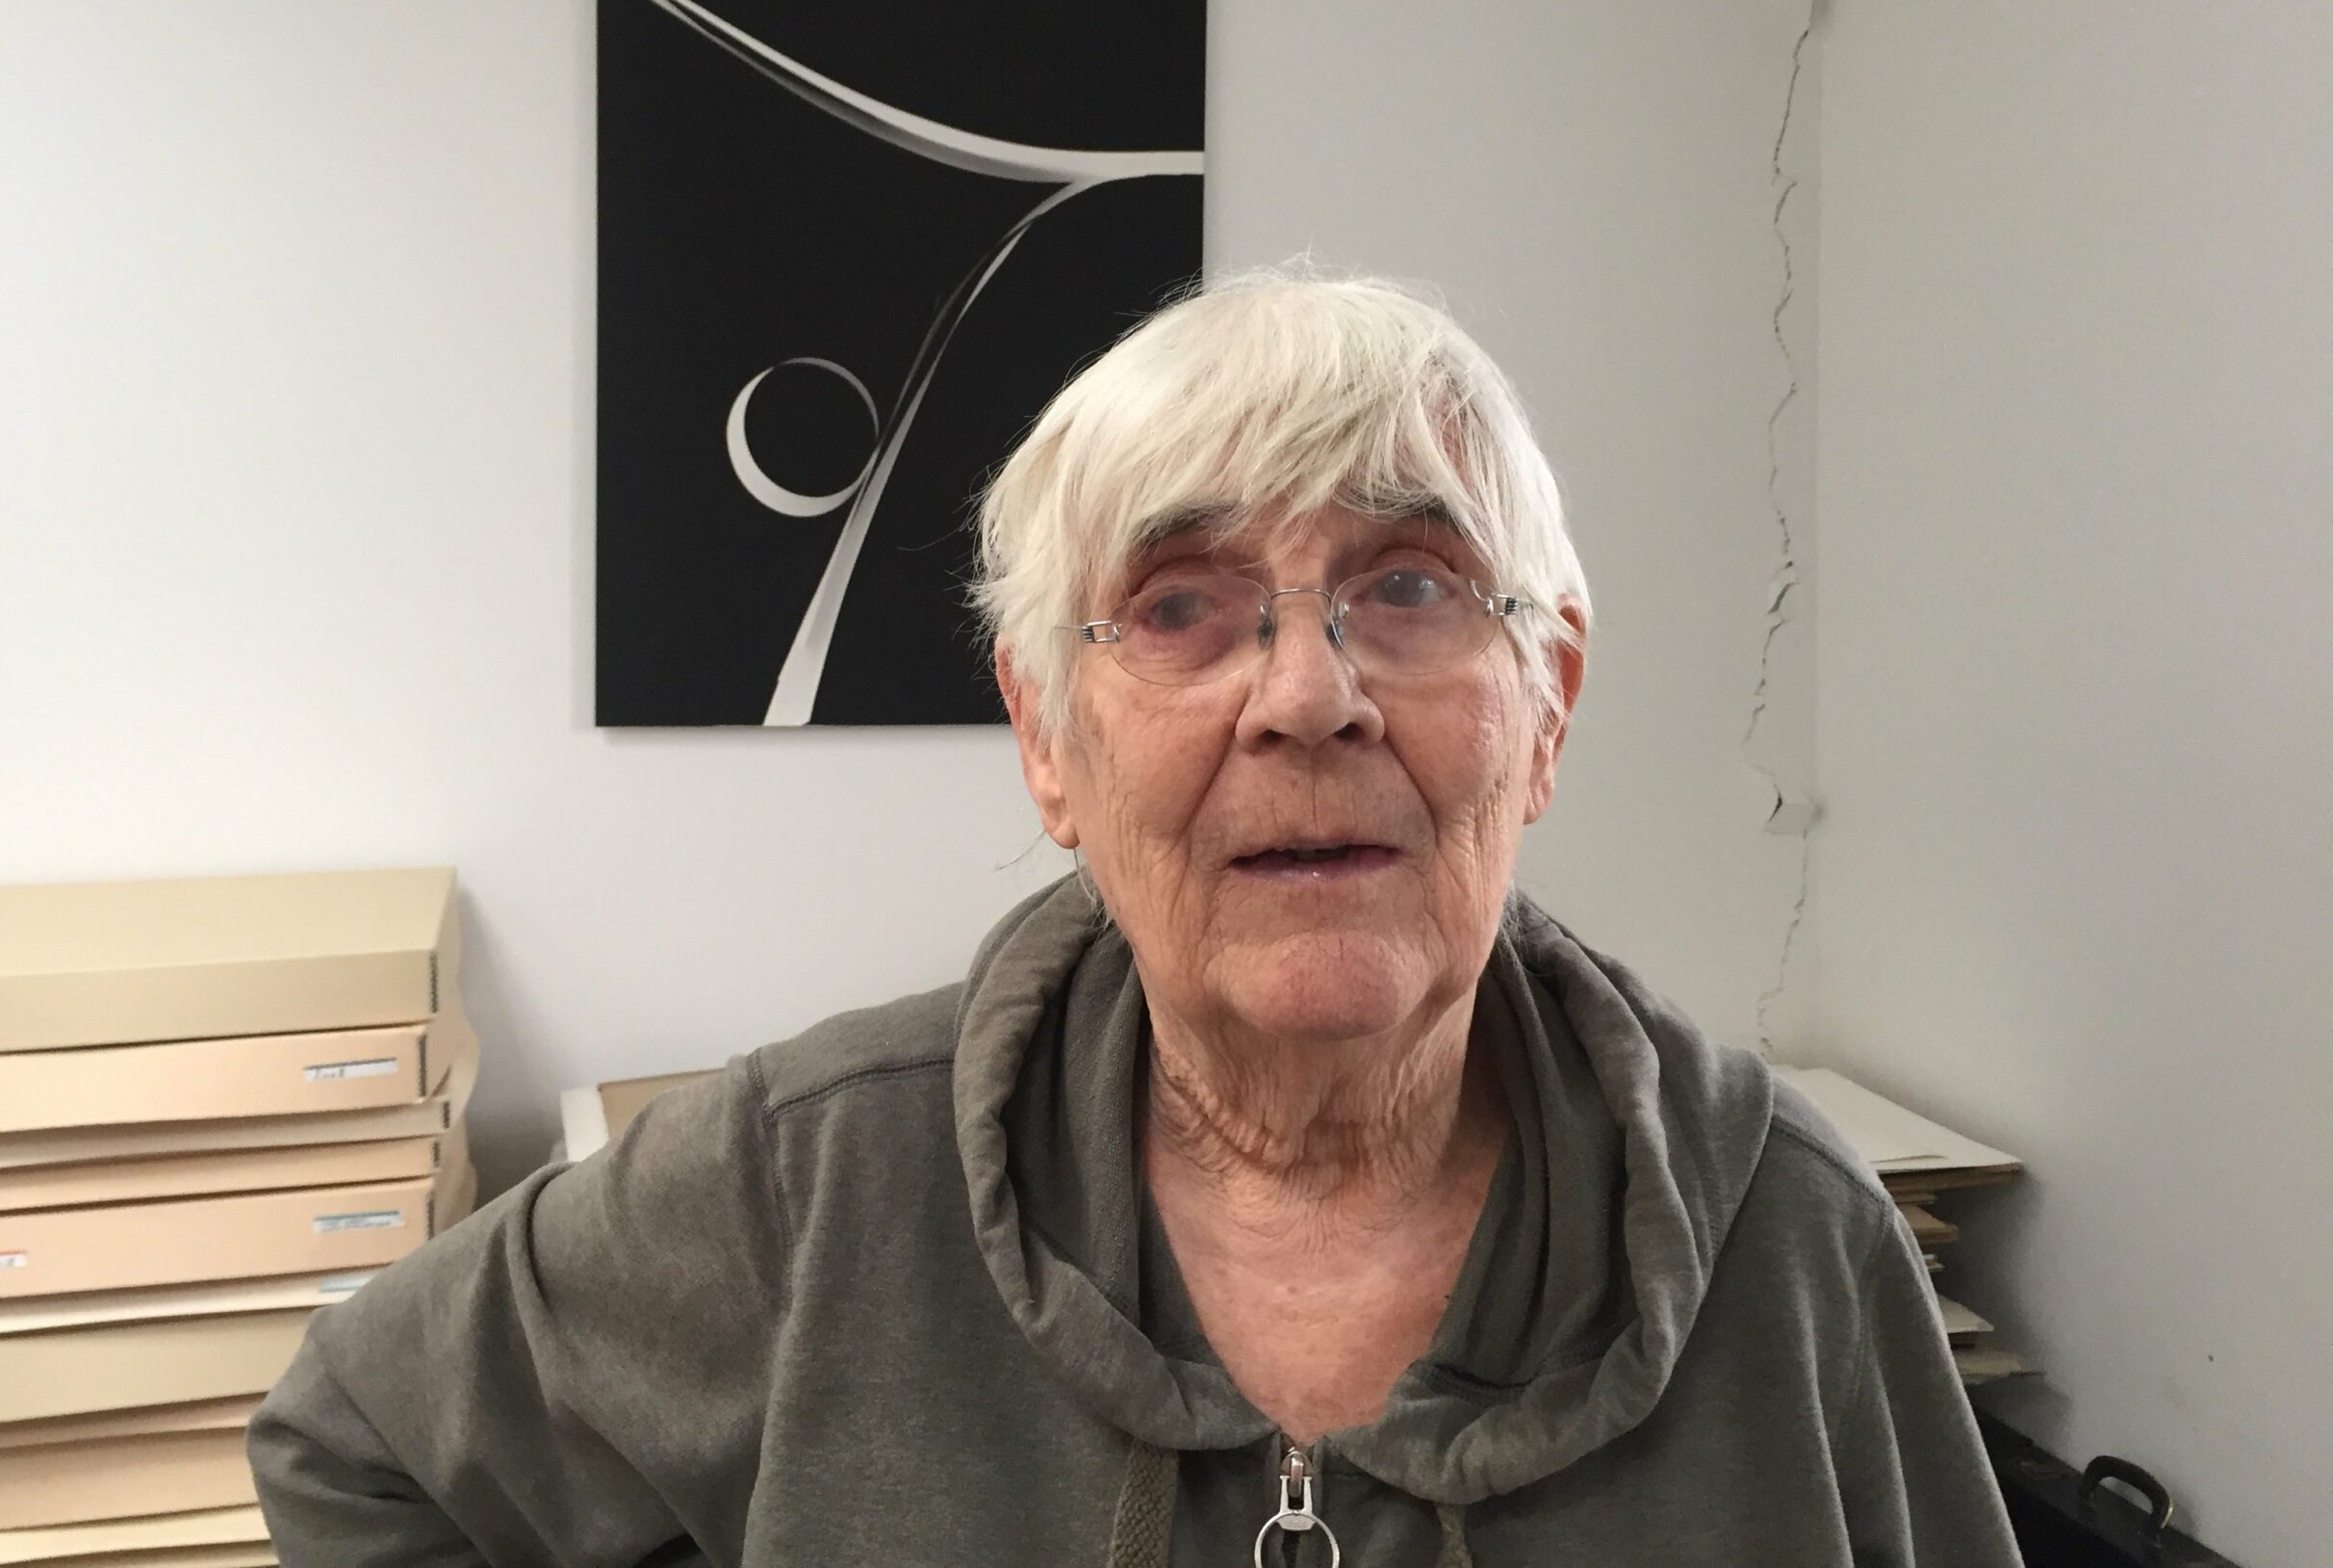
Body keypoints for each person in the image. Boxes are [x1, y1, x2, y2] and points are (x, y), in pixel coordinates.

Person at [248, 271, 2023, 1565]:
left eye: (1411, 586)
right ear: (1049, 741)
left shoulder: (1789, 1235)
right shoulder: (813, 1181)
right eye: (1180, 606)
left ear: (1545, 703)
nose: (1307, 697)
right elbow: (358, 1441)